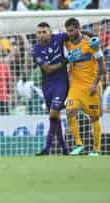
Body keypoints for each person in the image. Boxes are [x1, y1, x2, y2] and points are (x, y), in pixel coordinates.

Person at [64, 17, 106, 156]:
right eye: (68, 31)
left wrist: (95, 84)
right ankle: (78, 144)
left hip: (91, 86)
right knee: (70, 111)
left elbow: (103, 66)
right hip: (76, 86)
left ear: (78, 28)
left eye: (72, 30)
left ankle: (97, 149)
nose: (70, 33)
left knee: (94, 118)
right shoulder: (68, 43)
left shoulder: (91, 44)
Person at [32, 22, 69, 155]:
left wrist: (91, 36)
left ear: (50, 32)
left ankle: (47, 148)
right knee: (55, 117)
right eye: (39, 32)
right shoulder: (36, 49)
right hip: (47, 86)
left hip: (61, 83)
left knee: (53, 113)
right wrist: (65, 61)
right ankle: (65, 149)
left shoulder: (59, 38)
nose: (41, 35)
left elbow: (75, 34)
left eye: (44, 32)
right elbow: (47, 69)